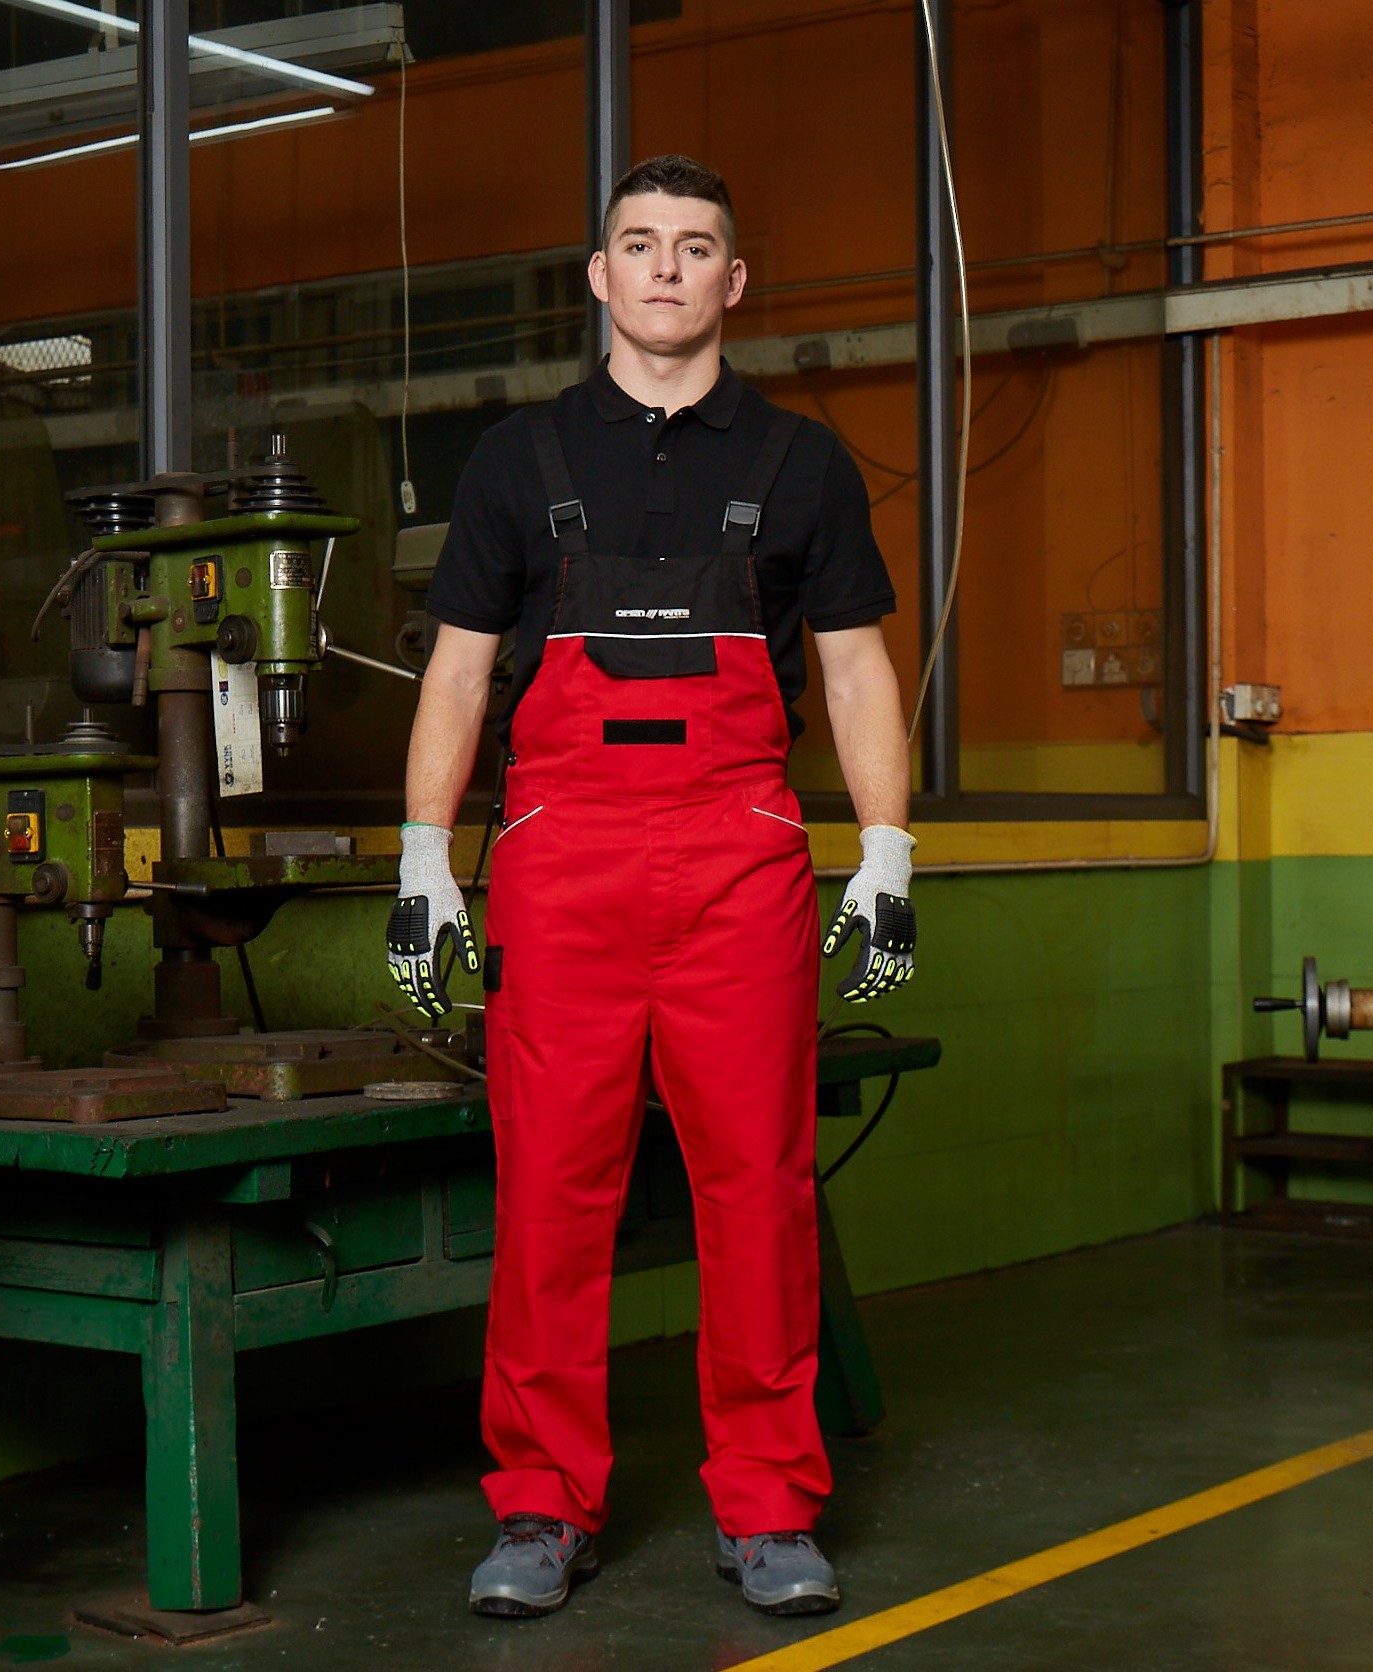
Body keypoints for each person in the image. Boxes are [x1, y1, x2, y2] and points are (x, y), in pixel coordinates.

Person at [386, 154, 918, 1620]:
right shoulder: (517, 458)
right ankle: (539, 1509)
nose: (667, 268)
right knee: (553, 1195)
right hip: (557, 866)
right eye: (639, 244)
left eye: (695, 247)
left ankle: (767, 1504)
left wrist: (884, 846)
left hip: (740, 862)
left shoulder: (802, 462)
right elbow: (460, 669)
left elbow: (856, 664)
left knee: (757, 1189)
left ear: (733, 282)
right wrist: (425, 854)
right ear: (598, 280)